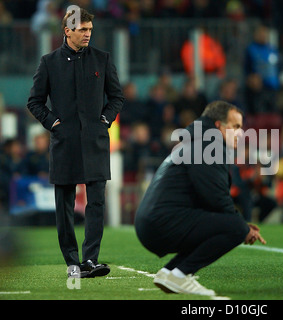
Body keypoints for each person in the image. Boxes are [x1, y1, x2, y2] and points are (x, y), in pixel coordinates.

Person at [27, 7, 124, 278]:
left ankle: (90, 260)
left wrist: (105, 119)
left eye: (90, 30)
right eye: (83, 30)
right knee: (65, 206)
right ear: (67, 31)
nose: (88, 34)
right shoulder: (49, 62)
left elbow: (117, 97)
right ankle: (72, 262)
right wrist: (53, 123)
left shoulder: (102, 59)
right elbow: (34, 101)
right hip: (64, 143)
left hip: (95, 141)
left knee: (96, 203)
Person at [134, 100, 266, 296]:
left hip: (153, 221)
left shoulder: (197, 142)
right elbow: (215, 196)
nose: (240, 133)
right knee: (235, 228)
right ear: (219, 125)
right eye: (236, 126)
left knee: (228, 223)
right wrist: (242, 227)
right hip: (161, 222)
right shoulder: (207, 146)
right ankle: (180, 275)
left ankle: (169, 272)